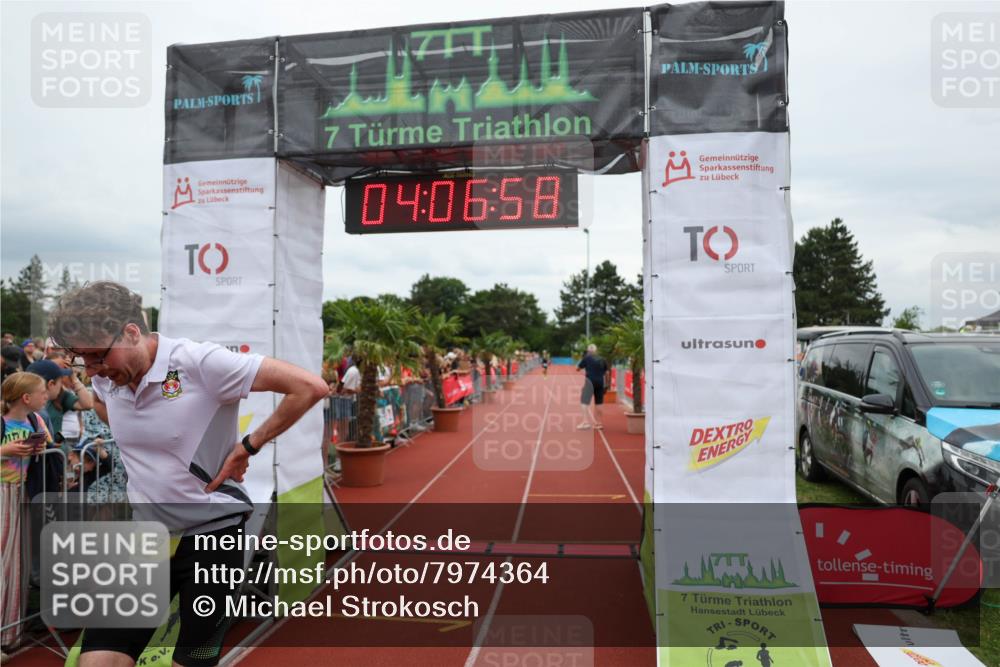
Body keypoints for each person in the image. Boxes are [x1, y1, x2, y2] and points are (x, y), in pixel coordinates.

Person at [47, 281, 329, 667]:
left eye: (98, 356)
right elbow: (104, 402)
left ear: (131, 332)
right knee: (97, 660)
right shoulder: (104, 378)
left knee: (192, 661)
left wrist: (248, 446)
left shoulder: (200, 362)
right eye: (83, 360)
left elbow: (309, 387)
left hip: (214, 539)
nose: (94, 369)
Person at [1, 371, 54, 651]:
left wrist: (42, 446)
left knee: (17, 563)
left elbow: (50, 445)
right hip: (3, 494)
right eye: (41, 391)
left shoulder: (36, 420)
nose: (46, 396)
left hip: (22, 492)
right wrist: (5, 450)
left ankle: (9, 632)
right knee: (4, 561)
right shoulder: (2, 421)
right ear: (26, 397)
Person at [25, 358, 94, 439]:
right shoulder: (34, 410)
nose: (61, 385)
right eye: (60, 381)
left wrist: (74, 379)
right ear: (51, 384)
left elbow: (88, 404)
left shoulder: (59, 396)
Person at [576, 344, 608, 430]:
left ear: (588, 351)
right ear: (596, 351)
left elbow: (578, 368)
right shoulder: (602, 359)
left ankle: (585, 422)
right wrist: (606, 385)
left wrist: (582, 365)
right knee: (599, 403)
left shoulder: (586, 358)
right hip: (600, 383)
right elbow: (606, 372)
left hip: (590, 382)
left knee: (584, 401)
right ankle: (599, 423)